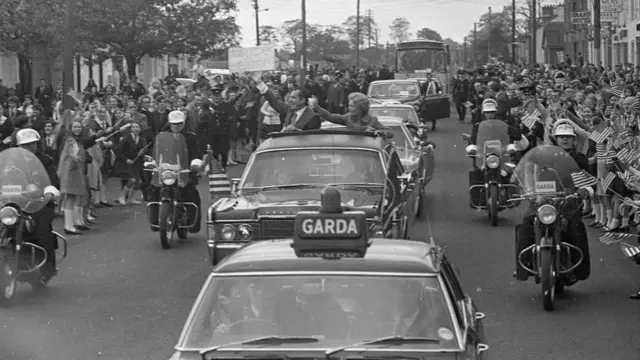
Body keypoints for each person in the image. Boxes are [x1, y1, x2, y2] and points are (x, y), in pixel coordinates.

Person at [514, 123, 592, 284]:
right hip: (542, 199)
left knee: (575, 226)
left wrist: (583, 191)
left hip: (568, 201)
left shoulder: (579, 158)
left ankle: (578, 269)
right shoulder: (545, 156)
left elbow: (589, 181)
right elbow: (529, 169)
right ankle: (523, 266)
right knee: (526, 222)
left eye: (568, 137)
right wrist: (528, 190)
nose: (565, 139)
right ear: (555, 139)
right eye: (561, 136)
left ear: (573, 139)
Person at [14, 128, 61, 283]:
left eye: (33, 143)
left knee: (42, 228)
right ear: (19, 146)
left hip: (40, 203)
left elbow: (53, 181)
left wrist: (48, 194)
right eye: (26, 145)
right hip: (15, 202)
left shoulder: (46, 160)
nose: (30, 147)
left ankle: (47, 269)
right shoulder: (12, 161)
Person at [147, 110, 201, 233]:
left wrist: (195, 164)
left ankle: (193, 223)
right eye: (173, 123)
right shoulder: (162, 136)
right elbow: (156, 152)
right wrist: (152, 162)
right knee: (153, 190)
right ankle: (155, 221)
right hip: (165, 172)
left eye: (179, 123)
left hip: (184, 172)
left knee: (191, 193)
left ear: (183, 123)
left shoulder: (190, 137)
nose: (176, 126)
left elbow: (195, 152)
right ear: (169, 124)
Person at [252, 73, 322, 132]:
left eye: (293, 98)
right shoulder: (289, 109)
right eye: (290, 97)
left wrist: (297, 131)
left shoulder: (313, 117)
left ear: (303, 100)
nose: (290, 100)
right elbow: (273, 100)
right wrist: (259, 82)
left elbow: (312, 139)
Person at [312, 92, 394, 139]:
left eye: (351, 106)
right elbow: (330, 116)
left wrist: (380, 132)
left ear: (360, 108)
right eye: (349, 105)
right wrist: (317, 107)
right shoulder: (348, 118)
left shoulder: (372, 120)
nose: (348, 108)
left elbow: (390, 132)